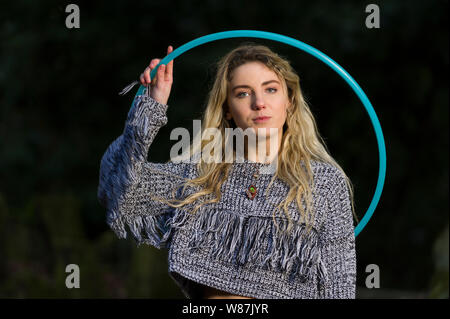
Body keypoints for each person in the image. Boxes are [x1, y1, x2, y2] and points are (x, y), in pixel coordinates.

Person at [97, 43, 357, 299]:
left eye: (271, 89)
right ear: (227, 109)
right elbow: (119, 189)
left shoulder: (324, 182)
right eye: (243, 93)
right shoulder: (199, 176)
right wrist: (151, 107)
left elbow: (339, 285)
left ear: (289, 101)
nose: (259, 103)